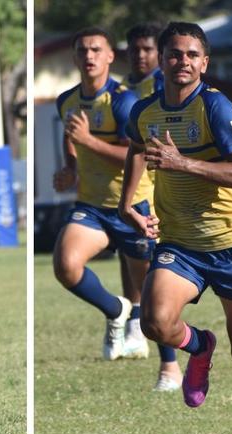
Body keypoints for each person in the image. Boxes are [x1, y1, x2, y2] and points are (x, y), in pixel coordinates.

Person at [119, 21, 232, 408]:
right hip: (179, 244)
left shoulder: (214, 106)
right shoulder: (144, 111)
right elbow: (138, 148)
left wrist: (183, 163)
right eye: (174, 53)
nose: (183, 61)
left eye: (192, 55)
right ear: (161, 60)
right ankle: (201, 345)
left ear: (204, 63)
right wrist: (127, 203)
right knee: (154, 322)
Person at [52, 27, 155, 366]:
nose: (89, 56)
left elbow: (136, 153)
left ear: (111, 56)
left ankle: (164, 362)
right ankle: (116, 310)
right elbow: (72, 137)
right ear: (75, 57)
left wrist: (89, 141)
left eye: (97, 49)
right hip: (92, 206)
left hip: (133, 205)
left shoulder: (124, 101)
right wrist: (70, 168)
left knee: (151, 289)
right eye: (82, 50)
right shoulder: (65, 100)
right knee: (66, 266)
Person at [120, 22, 183, 392]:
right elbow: (136, 147)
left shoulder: (174, 88)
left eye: (148, 49)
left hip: (168, 198)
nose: (141, 56)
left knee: (151, 279)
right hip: (137, 196)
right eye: (136, 49)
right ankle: (163, 356)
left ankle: (170, 359)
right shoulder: (128, 94)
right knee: (141, 276)